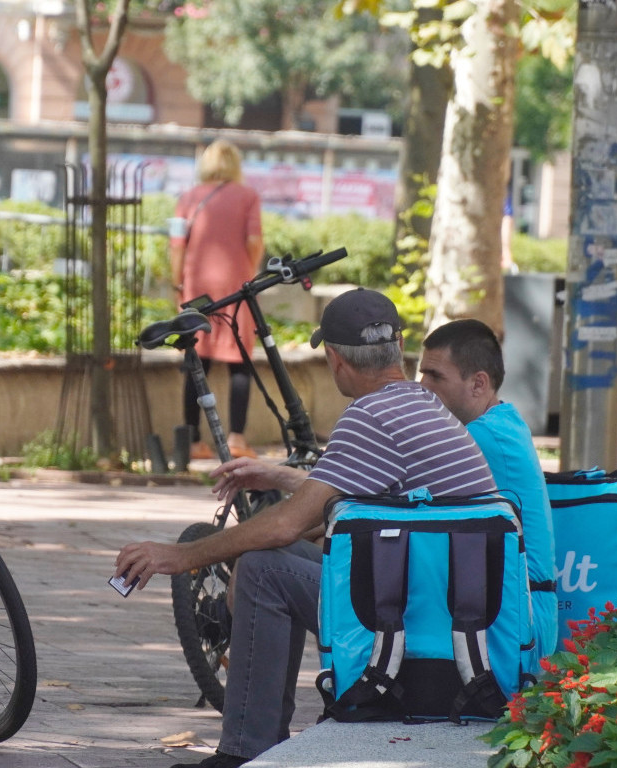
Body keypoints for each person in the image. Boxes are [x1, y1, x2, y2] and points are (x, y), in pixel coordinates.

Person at [114, 289, 496, 768]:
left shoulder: (372, 416)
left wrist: (181, 557)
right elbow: (330, 519)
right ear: (398, 346)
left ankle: (245, 751)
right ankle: (259, 740)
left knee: (262, 570)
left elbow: (289, 523)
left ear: (334, 360)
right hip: (451, 604)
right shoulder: (420, 403)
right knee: (271, 560)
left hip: (423, 617)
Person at [416, 319, 558, 670]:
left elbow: (380, 500)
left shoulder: (481, 438)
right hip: (516, 615)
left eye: (434, 376)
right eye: (421, 374)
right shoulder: (502, 422)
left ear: (478, 383)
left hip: (517, 628)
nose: (421, 387)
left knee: (273, 572)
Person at [170, 140, 265, 460]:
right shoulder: (248, 197)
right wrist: (247, 270)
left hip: (197, 289)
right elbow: (254, 240)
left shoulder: (187, 198)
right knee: (240, 363)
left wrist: (177, 283)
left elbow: (176, 244)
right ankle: (237, 437)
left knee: (196, 362)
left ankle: (194, 440)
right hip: (236, 289)